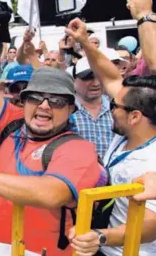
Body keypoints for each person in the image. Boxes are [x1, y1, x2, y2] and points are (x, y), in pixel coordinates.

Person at [0, 3, 101, 256]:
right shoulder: (13, 124)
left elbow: (50, 193)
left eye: (57, 100)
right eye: (36, 97)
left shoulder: (79, 149)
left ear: (72, 109)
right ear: (24, 101)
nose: (45, 106)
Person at [65, 17, 156, 256]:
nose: (109, 108)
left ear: (135, 116)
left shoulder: (152, 162)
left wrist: (101, 236)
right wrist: (85, 41)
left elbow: (151, 225)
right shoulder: (130, 129)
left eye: (114, 105)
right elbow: (111, 78)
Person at [71, 56, 115, 157]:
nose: (96, 83)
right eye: (88, 78)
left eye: (100, 77)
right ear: (74, 80)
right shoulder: (64, 110)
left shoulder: (117, 108)